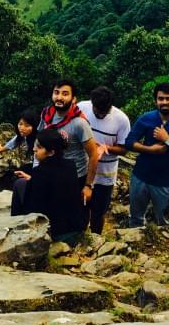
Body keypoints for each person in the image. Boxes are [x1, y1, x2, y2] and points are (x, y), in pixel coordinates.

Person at [125, 83, 169, 227]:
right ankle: (134, 245)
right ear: (155, 101)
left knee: (164, 222)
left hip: (165, 183)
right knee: (135, 218)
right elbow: (129, 142)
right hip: (140, 177)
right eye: (161, 98)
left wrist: (168, 140)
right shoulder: (146, 118)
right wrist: (150, 149)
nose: (164, 102)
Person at [10, 127, 88, 243]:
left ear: (51, 152)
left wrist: (33, 182)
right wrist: (32, 180)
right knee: (24, 182)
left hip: (56, 232)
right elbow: (56, 186)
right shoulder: (70, 165)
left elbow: (34, 207)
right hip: (75, 227)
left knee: (19, 184)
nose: (34, 149)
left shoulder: (40, 171)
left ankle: (15, 227)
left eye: (39, 147)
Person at [37, 80, 100, 210]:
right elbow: (39, 140)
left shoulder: (79, 123)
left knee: (74, 214)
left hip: (74, 177)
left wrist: (88, 186)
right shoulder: (46, 114)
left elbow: (93, 154)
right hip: (50, 172)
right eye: (56, 93)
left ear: (73, 99)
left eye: (65, 94)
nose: (59, 97)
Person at [77, 87, 131, 234]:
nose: (100, 114)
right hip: (83, 169)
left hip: (105, 175)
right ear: (92, 103)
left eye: (104, 112)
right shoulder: (82, 107)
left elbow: (124, 148)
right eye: (97, 111)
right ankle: (80, 236)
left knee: (98, 211)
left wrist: (106, 147)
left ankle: (96, 238)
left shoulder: (121, 120)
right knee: (80, 207)